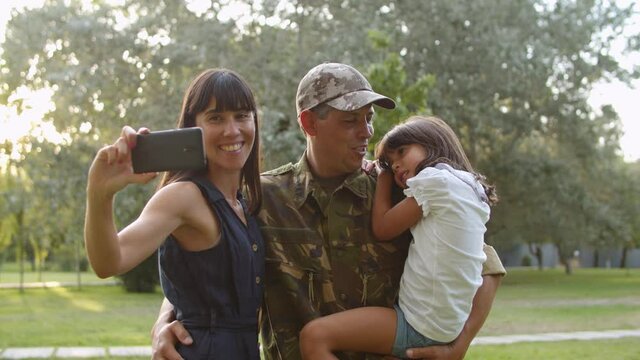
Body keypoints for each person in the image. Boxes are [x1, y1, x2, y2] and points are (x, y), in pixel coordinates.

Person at [151, 63, 506, 360]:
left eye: (368, 119)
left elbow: (484, 263)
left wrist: (459, 345)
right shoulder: (264, 198)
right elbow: (208, 266)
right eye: (351, 120)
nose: (366, 132)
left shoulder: (400, 193)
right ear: (309, 124)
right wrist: (165, 321)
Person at [84, 68, 265, 359]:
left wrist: (166, 314)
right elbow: (110, 261)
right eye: (216, 118)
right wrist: (100, 193)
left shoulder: (249, 202)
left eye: (242, 115)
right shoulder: (183, 196)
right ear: (192, 127)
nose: (232, 130)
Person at [299, 115, 498, 359]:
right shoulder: (470, 188)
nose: (396, 167)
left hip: (419, 324)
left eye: (402, 152)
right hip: (446, 326)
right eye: (390, 164)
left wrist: (381, 174)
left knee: (314, 337)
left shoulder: (435, 182)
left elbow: (383, 228)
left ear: (431, 143)